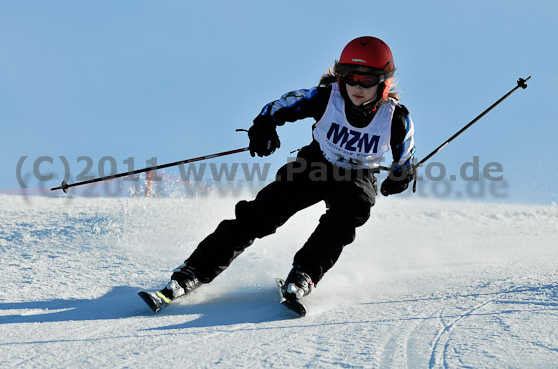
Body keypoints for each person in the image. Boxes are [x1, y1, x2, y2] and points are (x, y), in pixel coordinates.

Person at [158, 36, 415, 304]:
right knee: (262, 213)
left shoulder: (395, 118)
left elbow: (405, 159)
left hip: (357, 175)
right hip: (316, 164)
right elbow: (278, 107)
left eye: (367, 80)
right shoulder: (327, 98)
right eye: (351, 78)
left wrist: (400, 176)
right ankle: (194, 270)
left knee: (351, 210)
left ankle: (305, 273)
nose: (357, 87)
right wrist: (264, 128)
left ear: (384, 83)